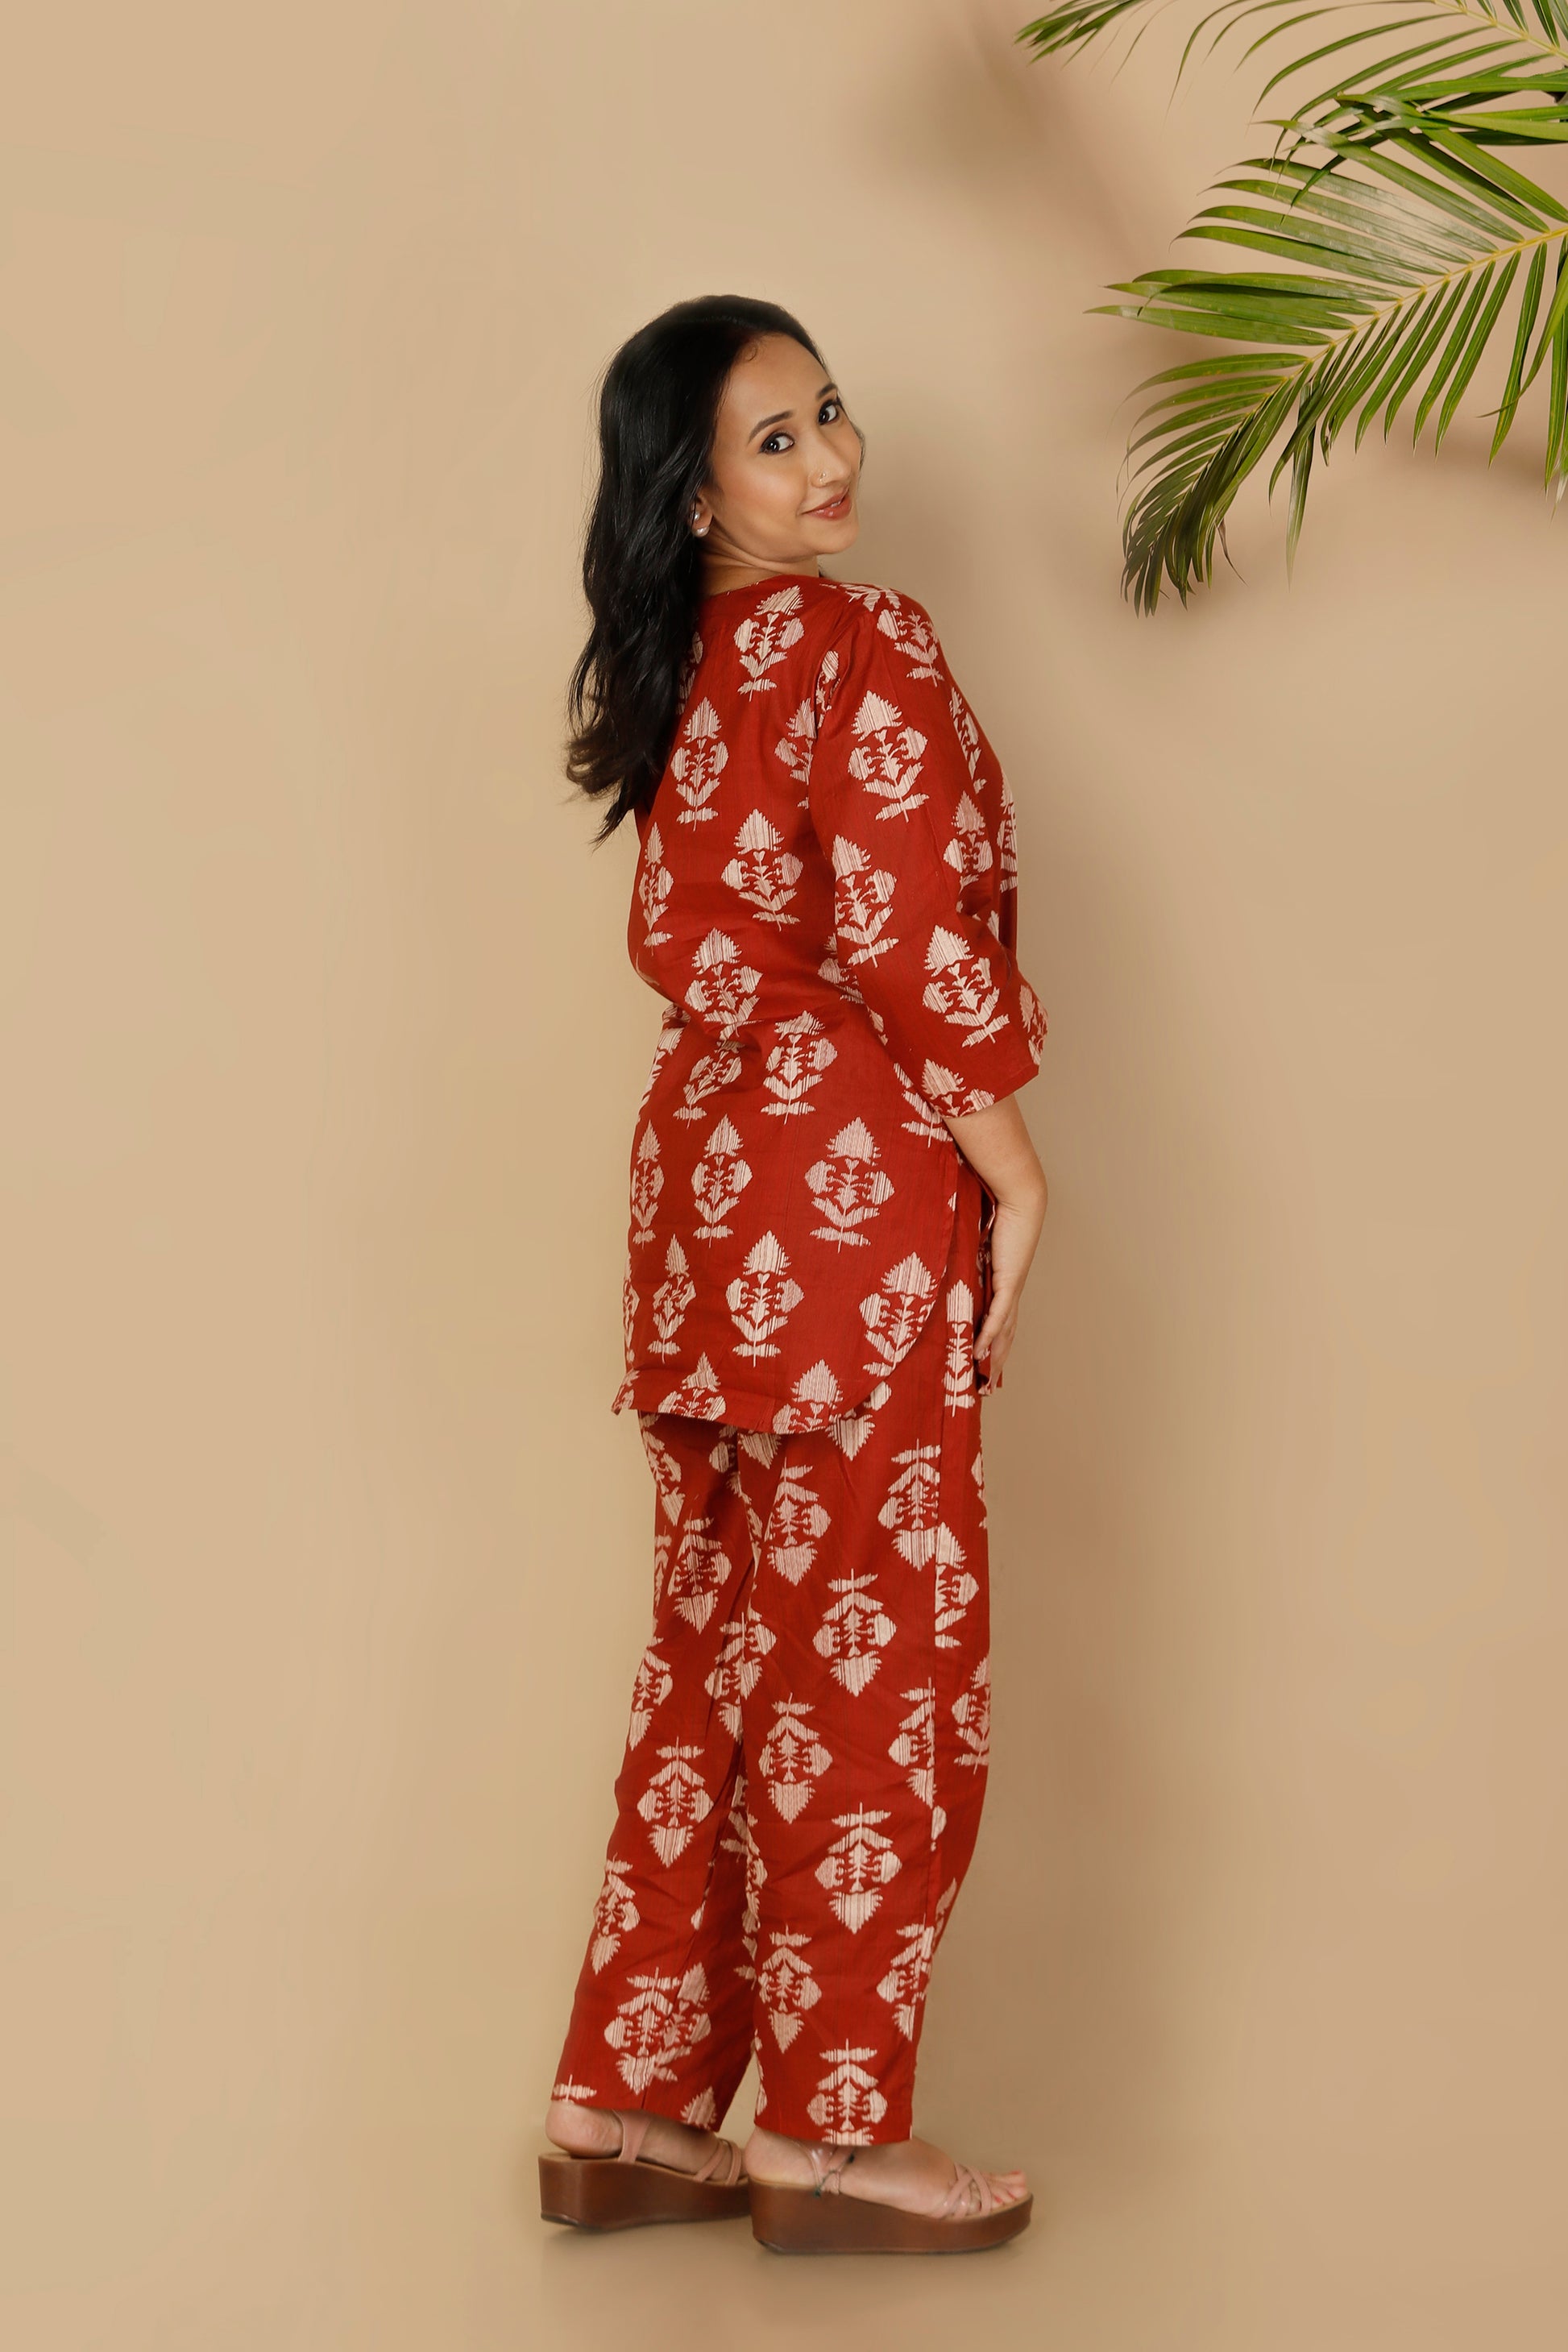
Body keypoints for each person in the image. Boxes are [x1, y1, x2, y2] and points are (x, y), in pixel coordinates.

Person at [538, 296, 1048, 2255]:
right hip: (840, 1202)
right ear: (686, 493)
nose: (830, 457)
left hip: (699, 1203)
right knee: (867, 1668)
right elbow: (911, 928)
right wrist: (1006, 1158)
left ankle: (625, 2100)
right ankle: (828, 2135)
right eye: (771, 439)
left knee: (718, 1657)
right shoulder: (859, 643)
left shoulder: (682, 674)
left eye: (829, 411)